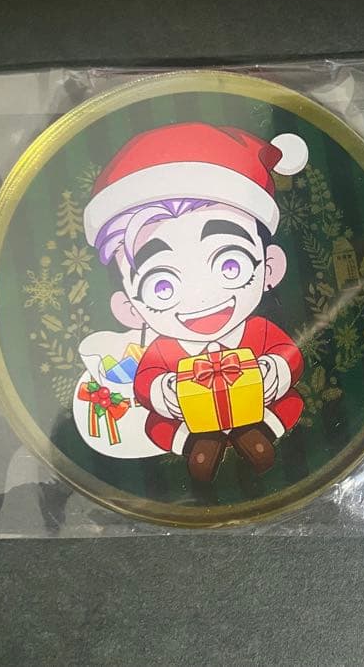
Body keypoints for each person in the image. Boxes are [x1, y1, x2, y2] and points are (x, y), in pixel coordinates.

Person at [82, 122, 308, 481]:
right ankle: (195, 443)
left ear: (269, 267)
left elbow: (288, 354)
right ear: (130, 308)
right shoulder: (162, 350)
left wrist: (275, 371)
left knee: (290, 402)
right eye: (162, 285)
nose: (202, 296)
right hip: (190, 417)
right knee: (157, 424)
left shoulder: (260, 330)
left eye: (230, 265)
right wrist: (164, 392)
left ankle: (260, 432)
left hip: (257, 406)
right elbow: (147, 381)